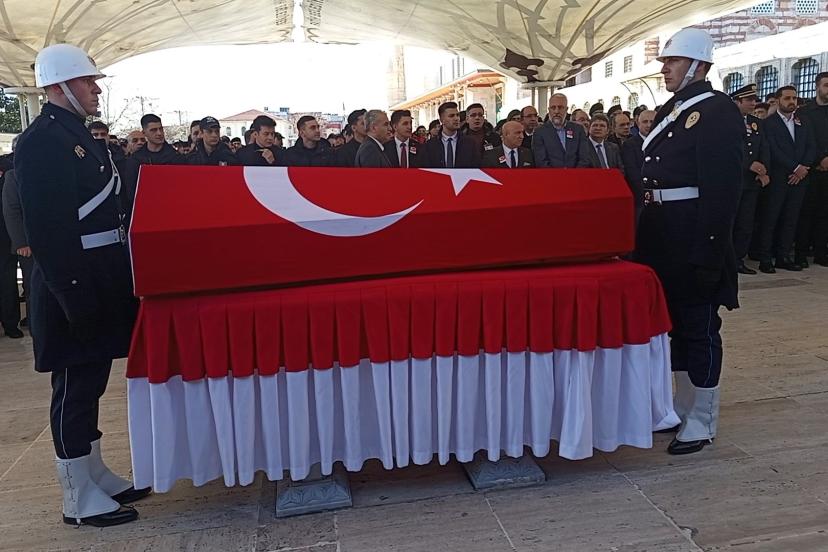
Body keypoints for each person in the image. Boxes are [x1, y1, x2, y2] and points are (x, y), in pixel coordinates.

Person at [14, 43, 150, 527]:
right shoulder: (41, 142)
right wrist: (73, 293)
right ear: (58, 87)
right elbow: (50, 230)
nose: (95, 89)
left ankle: (94, 474)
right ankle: (76, 496)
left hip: (99, 275)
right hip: (71, 281)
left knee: (92, 381)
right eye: (87, 81)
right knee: (73, 386)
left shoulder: (76, 134)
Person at [633, 28, 744, 455]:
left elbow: (722, 189)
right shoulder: (673, 109)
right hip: (662, 236)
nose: (665, 68)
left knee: (699, 328)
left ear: (699, 66)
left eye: (673, 61)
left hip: (694, 235)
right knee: (674, 328)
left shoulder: (716, 111)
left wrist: (711, 247)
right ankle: (681, 408)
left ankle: (702, 419)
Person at [757, 86, 816, 272]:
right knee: (771, 218)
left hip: (799, 178)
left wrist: (804, 167)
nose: (792, 102)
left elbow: (811, 146)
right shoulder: (769, 123)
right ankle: (765, 257)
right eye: (787, 98)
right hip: (780, 177)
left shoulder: (803, 121)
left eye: (794, 98)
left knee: (791, 218)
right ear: (778, 100)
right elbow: (773, 150)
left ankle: (783, 256)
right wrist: (794, 167)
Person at [729, 84, 771, 275]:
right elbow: (728, 150)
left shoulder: (756, 122)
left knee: (745, 223)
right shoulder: (726, 121)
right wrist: (748, 164)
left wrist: (764, 169)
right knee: (730, 222)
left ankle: (738, 259)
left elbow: (764, 146)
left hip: (751, 182)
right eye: (749, 100)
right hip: (734, 180)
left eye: (754, 100)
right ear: (738, 102)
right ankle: (726, 259)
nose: (753, 103)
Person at [794, 72, 828, 267]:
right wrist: (820, 159)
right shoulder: (805, 112)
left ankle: (821, 252)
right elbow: (806, 140)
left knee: (825, 213)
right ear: (817, 87)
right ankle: (801, 252)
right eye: (826, 85)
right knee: (805, 212)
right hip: (810, 169)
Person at [533, 93, 592, 168]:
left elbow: (584, 158)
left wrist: (574, 176)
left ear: (566, 109)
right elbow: (541, 162)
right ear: (549, 110)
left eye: (560, 107)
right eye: (553, 108)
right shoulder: (539, 132)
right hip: (551, 178)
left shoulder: (578, 130)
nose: (556, 111)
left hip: (576, 177)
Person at [621, 109, 656, 225]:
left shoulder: (664, 142)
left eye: (652, 121)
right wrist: (647, 194)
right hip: (641, 199)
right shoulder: (629, 145)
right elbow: (632, 173)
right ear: (637, 123)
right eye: (645, 122)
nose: (649, 125)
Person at [423, 101, 481, 168]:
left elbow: (476, 168)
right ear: (442, 120)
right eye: (451, 116)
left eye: (457, 115)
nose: (456, 119)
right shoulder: (430, 145)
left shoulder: (470, 143)